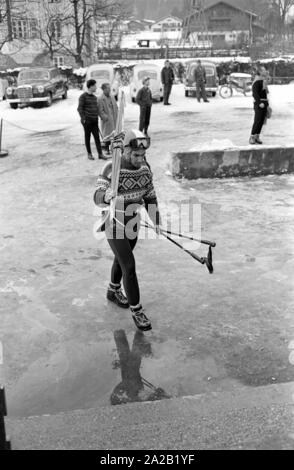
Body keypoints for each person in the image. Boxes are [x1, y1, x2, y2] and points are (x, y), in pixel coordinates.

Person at [94, 129, 162, 332]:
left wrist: (156, 220)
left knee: (121, 259)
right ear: (124, 151)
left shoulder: (145, 169)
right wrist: (106, 196)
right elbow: (97, 196)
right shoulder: (111, 169)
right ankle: (137, 310)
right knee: (129, 266)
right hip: (113, 222)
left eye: (143, 155)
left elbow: (150, 196)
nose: (140, 159)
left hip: (133, 221)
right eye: (136, 155)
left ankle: (113, 290)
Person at [77, 79, 107, 161]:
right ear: (90, 86)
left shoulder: (94, 98)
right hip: (87, 121)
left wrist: (100, 117)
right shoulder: (83, 97)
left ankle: (100, 154)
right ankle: (89, 154)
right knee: (88, 137)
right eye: (95, 86)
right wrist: (83, 119)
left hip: (94, 121)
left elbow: (96, 109)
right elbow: (80, 109)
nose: (96, 87)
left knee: (97, 138)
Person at [249, 66, 269, 145]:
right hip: (259, 104)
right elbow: (255, 93)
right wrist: (259, 102)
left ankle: (257, 136)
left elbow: (265, 93)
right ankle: (252, 137)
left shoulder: (262, 80)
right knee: (257, 121)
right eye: (263, 70)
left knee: (261, 121)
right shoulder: (257, 81)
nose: (265, 71)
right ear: (259, 72)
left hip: (264, 103)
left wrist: (267, 103)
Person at [98, 83, 118, 154]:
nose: (109, 90)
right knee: (107, 135)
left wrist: (117, 114)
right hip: (107, 120)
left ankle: (113, 149)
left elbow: (115, 106)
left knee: (114, 134)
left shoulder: (112, 96)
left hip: (114, 118)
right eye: (108, 88)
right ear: (104, 89)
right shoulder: (100, 98)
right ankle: (106, 149)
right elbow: (100, 111)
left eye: (110, 88)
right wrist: (105, 118)